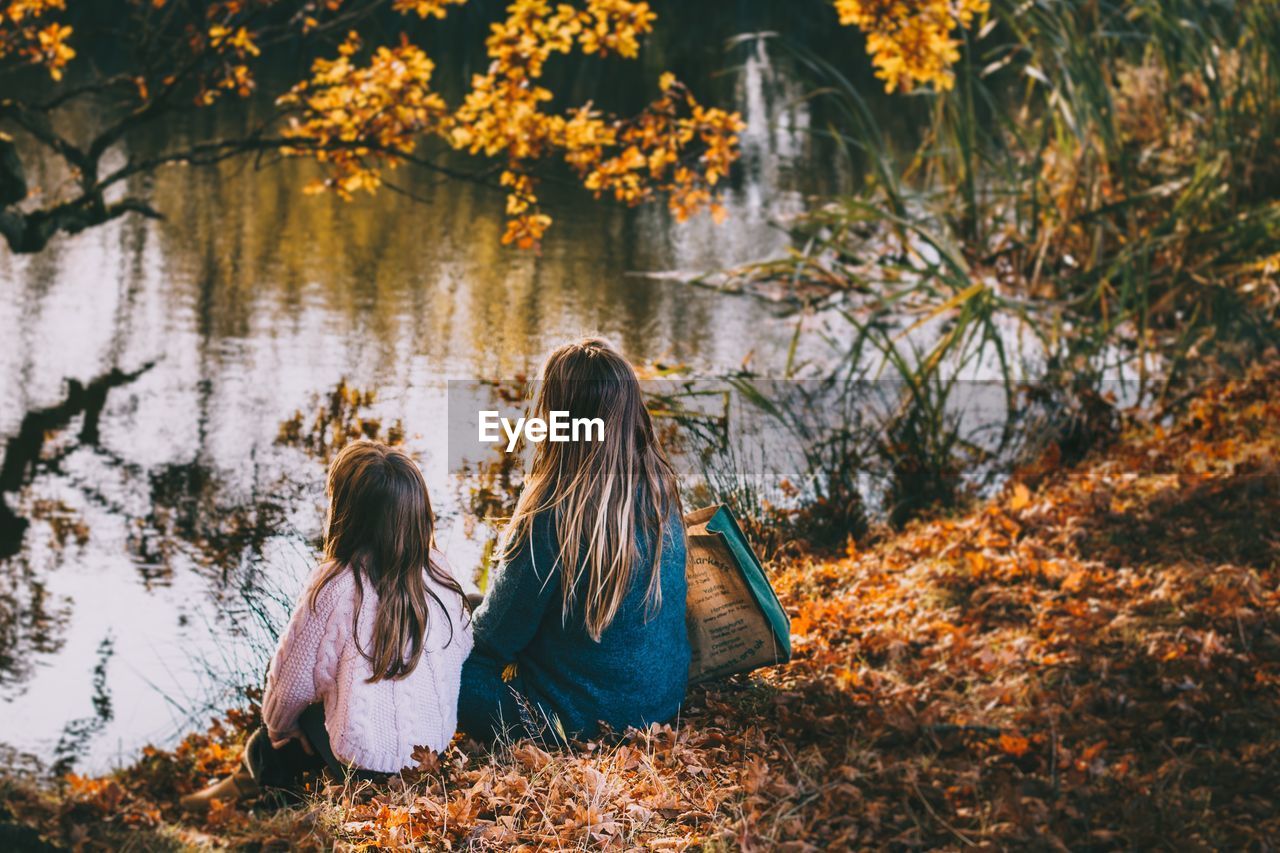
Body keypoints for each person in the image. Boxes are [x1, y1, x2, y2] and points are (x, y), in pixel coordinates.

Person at [181, 441, 472, 812]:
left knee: (278, 733)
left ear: (347, 515)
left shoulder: (336, 586)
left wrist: (279, 730)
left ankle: (265, 800)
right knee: (337, 699)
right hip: (430, 755)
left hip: (366, 767)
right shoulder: (440, 573)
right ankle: (244, 788)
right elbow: (462, 649)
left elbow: (288, 687)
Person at [457, 338, 690, 744]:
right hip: (658, 706)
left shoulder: (552, 515)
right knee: (475, 607)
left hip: (574, 721)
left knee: (451, 672)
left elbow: (491, 643)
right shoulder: (660, 490)